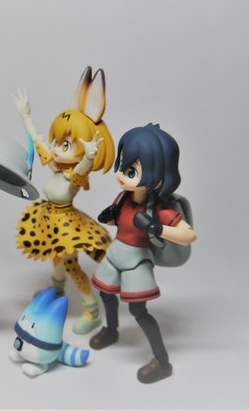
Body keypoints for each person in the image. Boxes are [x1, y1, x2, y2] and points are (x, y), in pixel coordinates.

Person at [90, 123, 197, 383]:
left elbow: (188, 235)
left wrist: (157, 228)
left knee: (138, 311)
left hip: (137, 260)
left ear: (157, 174)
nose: (121, 174)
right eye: (122, 165)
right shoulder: (122, 199)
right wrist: (110, 217)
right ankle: (111, 330)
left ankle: (162, 361)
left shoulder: (159, 209)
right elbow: (119, 222)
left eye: (131, 171)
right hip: (116, 253)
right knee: (106, 293)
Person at [12, 67, 115, 335]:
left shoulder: (74, 177)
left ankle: (92, 310)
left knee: (70, 265)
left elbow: (81, 168)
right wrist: (26, 116)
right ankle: (57, 292)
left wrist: (89, 156)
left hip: (67, 226)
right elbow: (38, 140)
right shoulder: (58, 167)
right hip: (50, 220)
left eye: (66, 144)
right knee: (56, 259)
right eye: (58, 141)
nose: (57, 148)